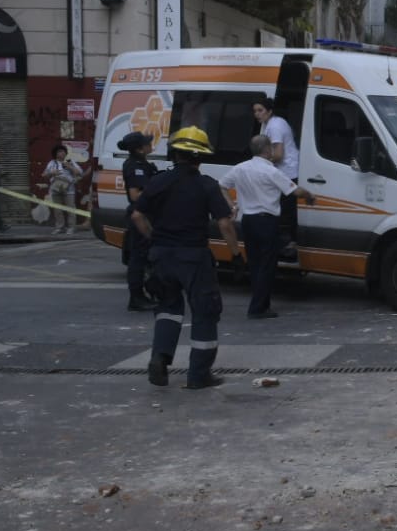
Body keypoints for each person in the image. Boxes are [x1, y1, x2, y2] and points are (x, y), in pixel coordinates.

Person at [132, 126, 242, 390]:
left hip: (161, 255)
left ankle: (160, 357)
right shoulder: (206, 185)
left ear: (175, 154)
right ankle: (199, 375)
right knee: (205, 311)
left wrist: (152, 240)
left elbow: (137, 216)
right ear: (199, 158)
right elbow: (225, 224)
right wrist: (236, 255)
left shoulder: (158, 181)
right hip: (193, 256)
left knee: (168, 309)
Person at [220, 134, 316, 320]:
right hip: (266, 222)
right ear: (267, 150)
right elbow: (295, 190)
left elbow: (222, 185)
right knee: (267, 265)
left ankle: (260, 304)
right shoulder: (271, 171)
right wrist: (310, 195)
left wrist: (231, 204)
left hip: (248, 221)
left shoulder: (241, 168)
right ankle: (258, 307)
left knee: (255, 264)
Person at [251, 96, 300, 258]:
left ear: (270, 111)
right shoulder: (270, 123)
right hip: (283, 172)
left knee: (284, 214)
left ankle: (286, 247)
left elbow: (278, 154)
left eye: (260, 110)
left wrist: (258, 163)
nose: (257, 114)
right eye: (255, 111)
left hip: (287, 173)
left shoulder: (275, 126)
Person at [119, 131, 160, 311]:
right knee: (139, 258)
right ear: (139, 149)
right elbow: (135, 195)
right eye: (146, 143)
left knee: (146, 257)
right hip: (140, 215)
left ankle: (149, 292)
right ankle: (136, 297)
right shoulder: (135, 166)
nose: (150, 144)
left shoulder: (142, 164)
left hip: (147, 214)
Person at [40, 144, 84, 235]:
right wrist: (52, 173)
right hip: (55, 189)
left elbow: (80, 173)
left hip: (69, 189)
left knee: (70, 209)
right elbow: (44, 176)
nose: (62, 153)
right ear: (55, 154)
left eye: (63, 151)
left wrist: (70, 167)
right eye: (59, 151)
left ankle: (71, 227)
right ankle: (60, 227)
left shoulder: (70, 162)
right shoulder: (52, 163)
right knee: (57, 210)